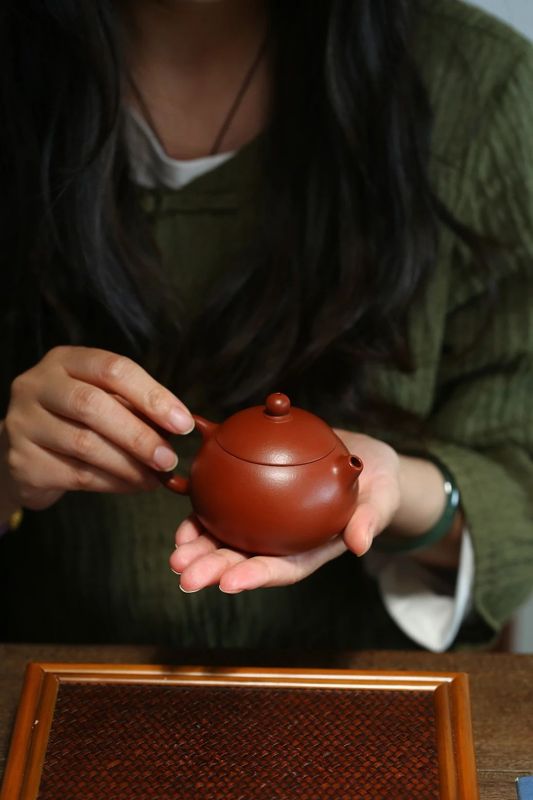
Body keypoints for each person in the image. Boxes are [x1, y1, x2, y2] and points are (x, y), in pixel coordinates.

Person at [0, 0, 532, 653]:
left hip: (372, 700)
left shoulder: (476, 87)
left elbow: (520, 486)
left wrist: (401, 495)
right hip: (45, 692)